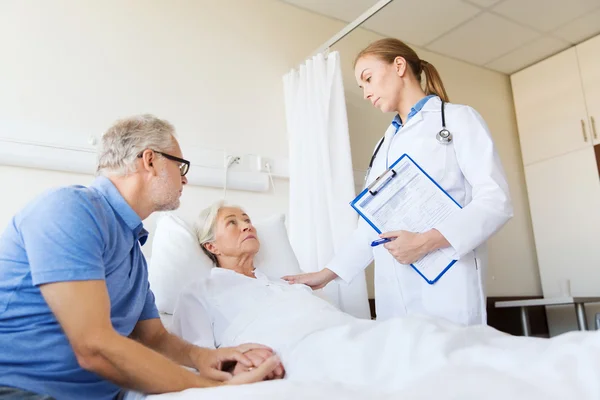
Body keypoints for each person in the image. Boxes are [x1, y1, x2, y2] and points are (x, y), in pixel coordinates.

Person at [171, 202, 598, 395]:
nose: (247, 225)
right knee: (415, 353)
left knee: (428, 336)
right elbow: (201, 358)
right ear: (210, 245)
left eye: (249, 218)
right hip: (299, 350)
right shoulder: (202, 290)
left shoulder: (284, 282)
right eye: (233, 222)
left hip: (348, 331)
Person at [0, 115, 282, 400]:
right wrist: (213, 390)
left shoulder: (133, 251)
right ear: (150, 160)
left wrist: (206, 358)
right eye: (179, 165)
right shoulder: (71, 210)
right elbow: (93, 346)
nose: (185, 178)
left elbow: (154, 337)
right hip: (22, 390)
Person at [283, 38, 513, 326]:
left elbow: (496, 202)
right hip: (393, 289)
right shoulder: (384, 145)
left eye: (368, 79)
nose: (366, 93)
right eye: (361, 86)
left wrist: (424, 242)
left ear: (399, 66)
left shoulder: (456, 120)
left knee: (451, 364)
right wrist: (326, 274)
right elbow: (371, 225)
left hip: (447, 282)